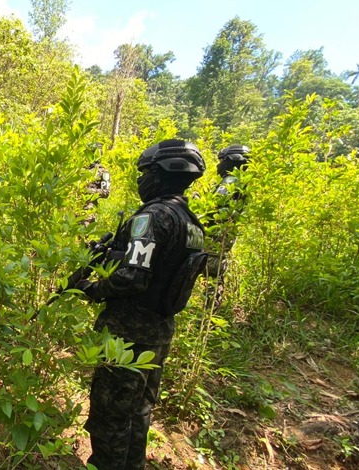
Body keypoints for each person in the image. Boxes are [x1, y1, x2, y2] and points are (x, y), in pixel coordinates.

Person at [75, 139, 207, 470]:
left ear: (160, 174)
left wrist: (92, 289)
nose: (141, 179)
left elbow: (132, 277)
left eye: (145, 172)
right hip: (158, 334)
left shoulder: (152, 217)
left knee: (110, 419)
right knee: (138, 413)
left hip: (128, 336)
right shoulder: (192, 224)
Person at [204, 145, 251, 295]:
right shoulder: (243, 182)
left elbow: (215, 207)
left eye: (222, 161)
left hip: (216, 234)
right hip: (226, 233)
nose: (219, 165)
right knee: (215, 269)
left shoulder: (231, 181)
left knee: (211, 269)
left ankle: (210, 304)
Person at [82, 158, 111, 227]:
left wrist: (88, 191)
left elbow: (106, 192)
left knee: (85, 230)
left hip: (89, 209)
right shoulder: (80, 169)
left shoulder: (104, 172)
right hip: (75, 207)